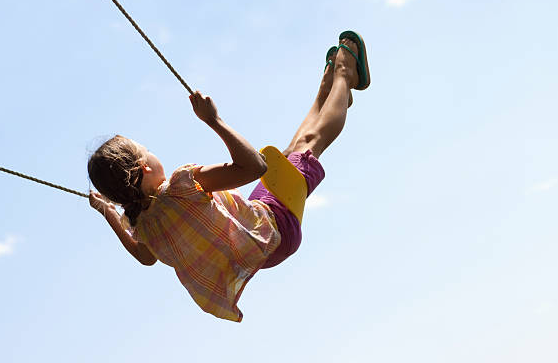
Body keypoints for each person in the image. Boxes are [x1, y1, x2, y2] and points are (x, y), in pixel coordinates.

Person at [87, 31, 370, 321]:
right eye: (146, 150)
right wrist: (214, 121)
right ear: (144, 168)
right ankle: (346, 74)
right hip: (273, 227)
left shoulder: (146, 228)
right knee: (311, 143)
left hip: (259, 240)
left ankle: (327, 90)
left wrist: (108, 213)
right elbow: (254, 167)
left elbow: (144, 257)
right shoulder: (181, 186)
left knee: (289, 156)